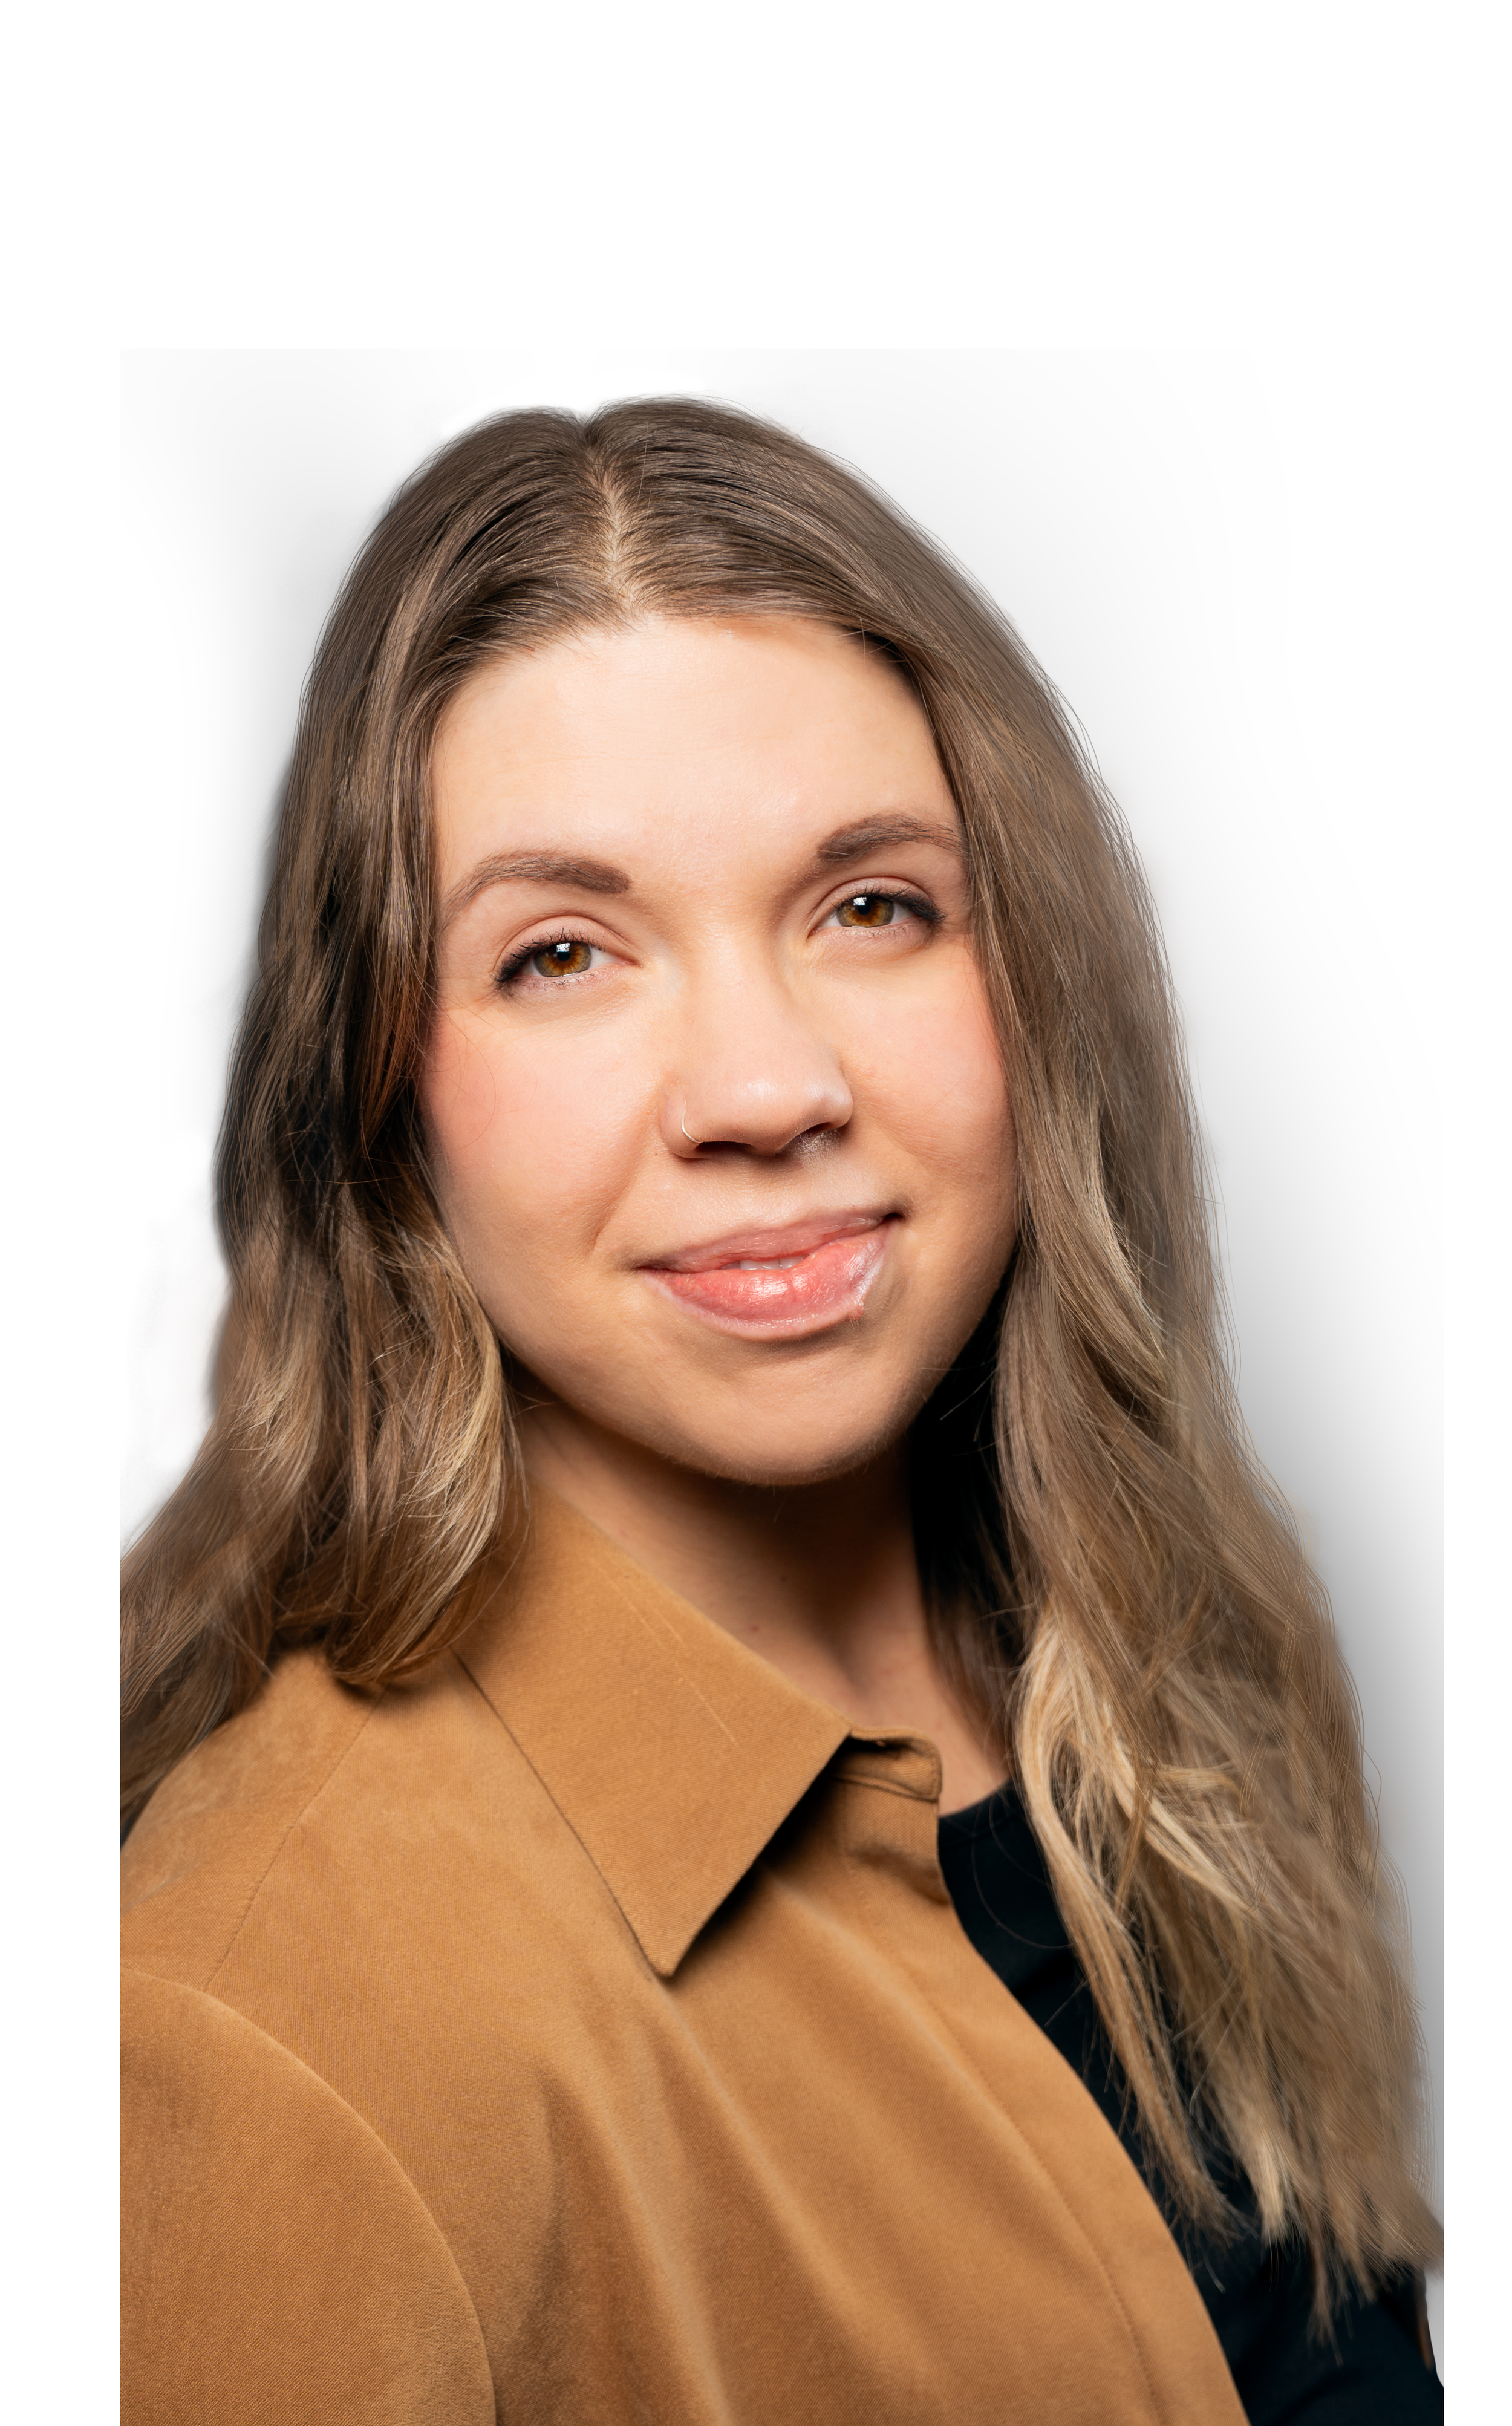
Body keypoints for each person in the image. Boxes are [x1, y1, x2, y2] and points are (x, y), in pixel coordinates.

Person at [120, 397, 1442, 2423]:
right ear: (378, 1092)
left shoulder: (1187, 1678)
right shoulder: (270, 2036)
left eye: (869, 906)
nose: (762, 1086)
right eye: (562, 953)